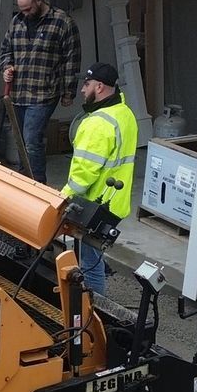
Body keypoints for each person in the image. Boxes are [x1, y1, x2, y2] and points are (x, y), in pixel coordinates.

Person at [61, 63, 138, 297]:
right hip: (115, 203)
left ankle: (93, 312)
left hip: (94, 205)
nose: (82, 90)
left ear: (100, 87)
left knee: (90, 263)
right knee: (93, 254)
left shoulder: (97, 123)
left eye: (87, 84)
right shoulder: (125, 114)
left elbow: (83, 174)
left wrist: (61, 199)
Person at [0, 0, 81, 182]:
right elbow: (6, 50)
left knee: (32, 140)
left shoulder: (62, 22)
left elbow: (72, 58)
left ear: (39, 0)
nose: (25, 13)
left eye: (28, 9)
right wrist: (6, 67)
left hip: (44, 93)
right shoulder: (16, 22)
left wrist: (69, 92)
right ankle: (24, 180)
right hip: (18, 93)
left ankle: (37, 184)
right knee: (20, 141)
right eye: (21, 9)